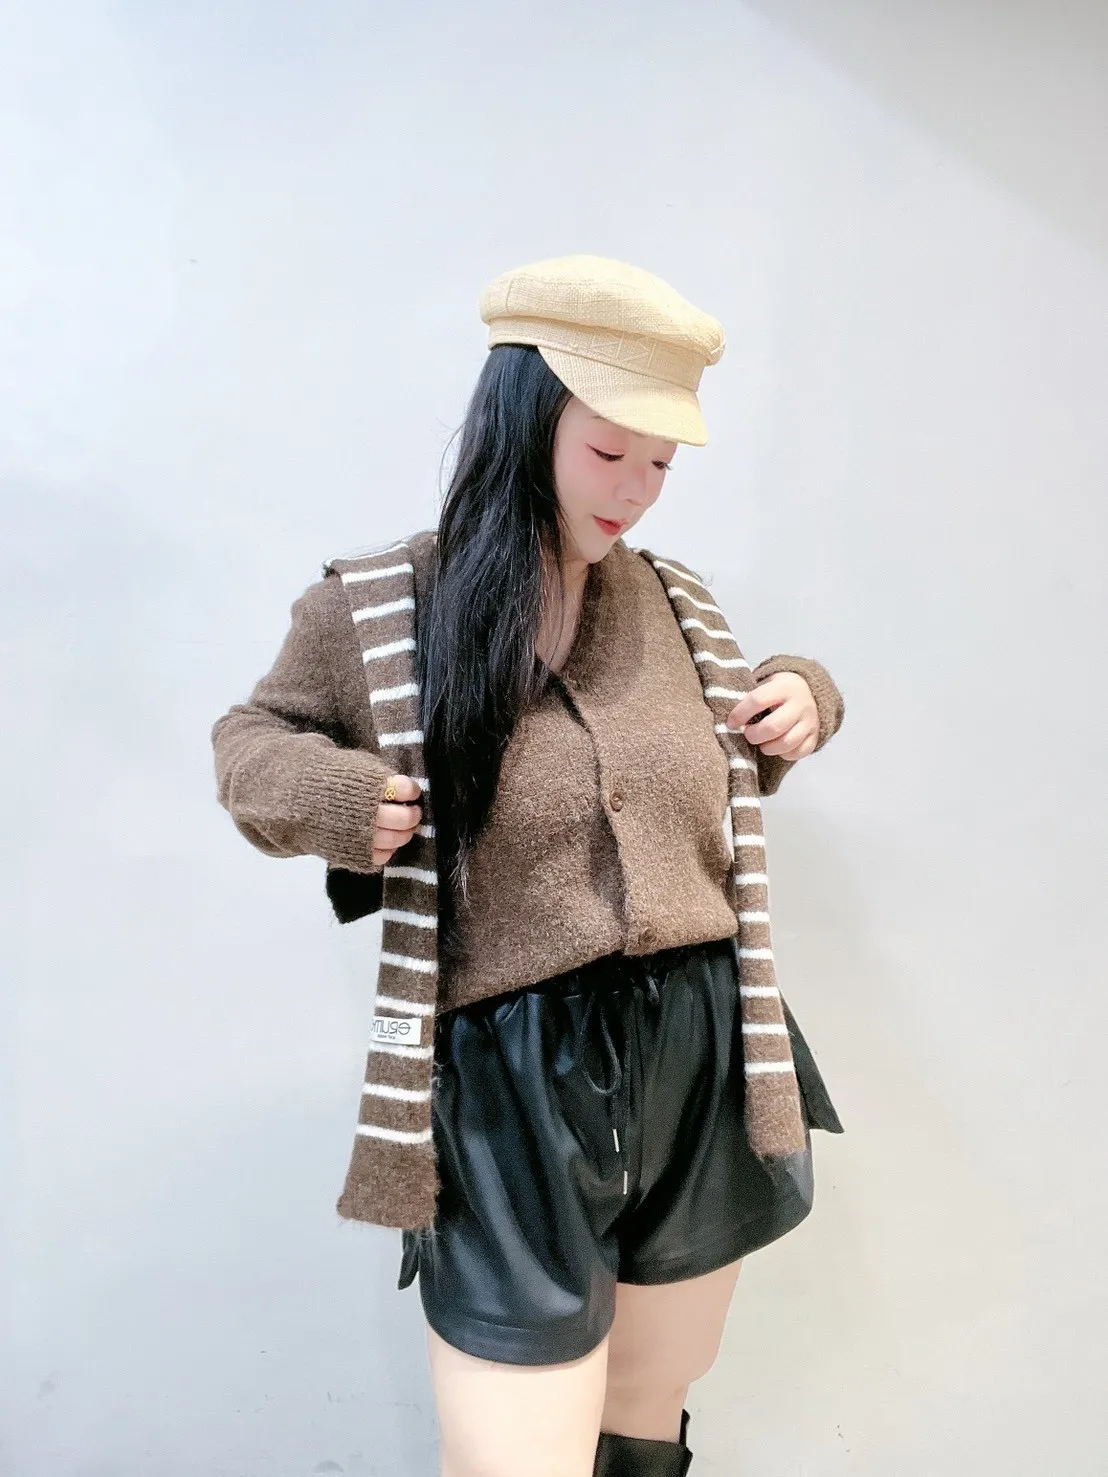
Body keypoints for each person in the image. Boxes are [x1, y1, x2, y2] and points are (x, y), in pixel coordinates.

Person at [211, 254, 846, 1477]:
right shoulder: (378, 607)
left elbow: (724, 757)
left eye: (661, 465)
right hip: (511, 1077)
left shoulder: (676, 603)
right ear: (523, 421)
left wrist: (804, 695)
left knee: (649, 1400)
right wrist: (339, 798)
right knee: (519, 1449)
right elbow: (250, 744)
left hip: (700, 1046)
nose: (637, 492)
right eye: (610, 452)